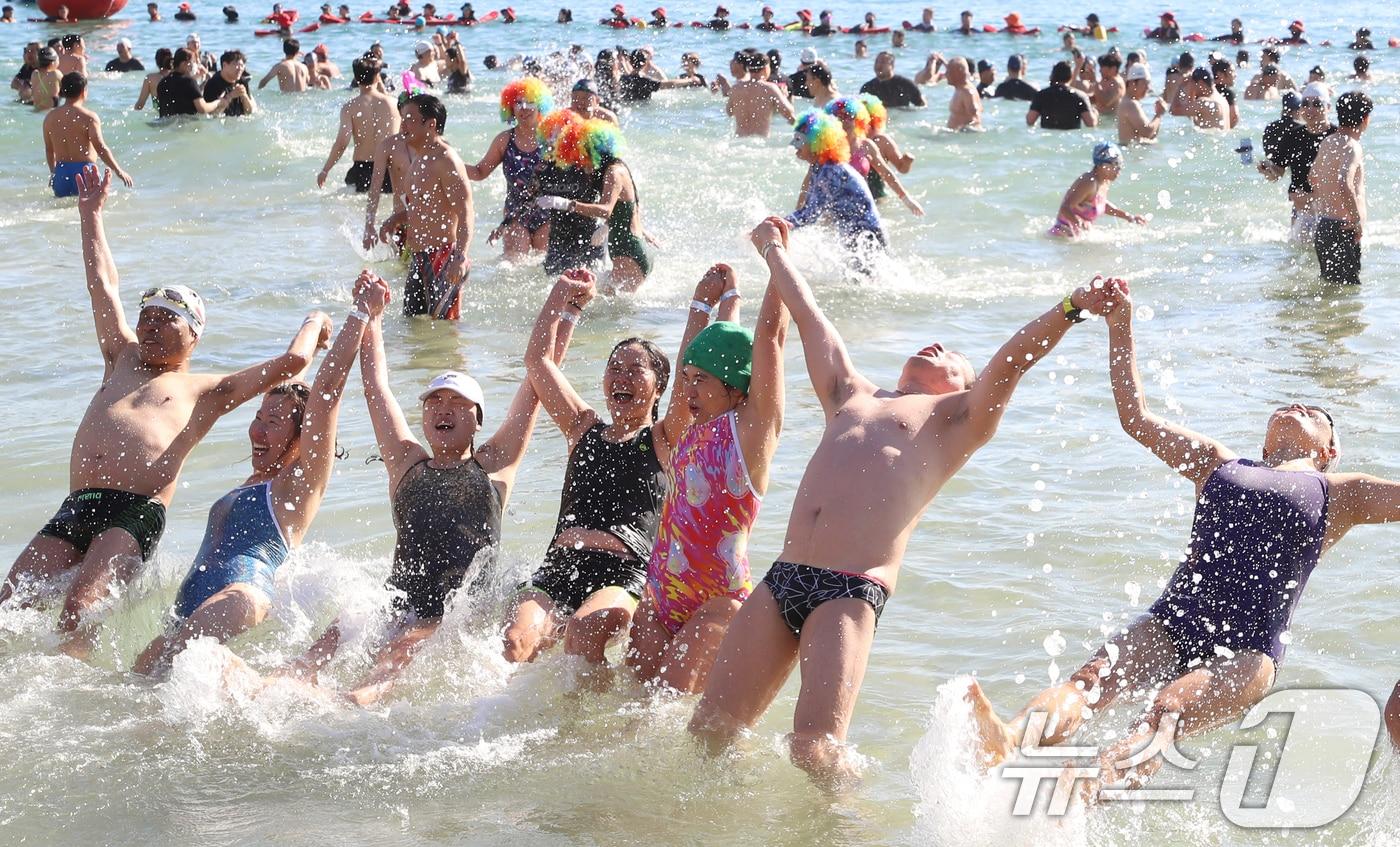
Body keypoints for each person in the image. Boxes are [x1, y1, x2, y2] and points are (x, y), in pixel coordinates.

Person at [690, 220, 1118, 787]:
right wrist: (772, 250)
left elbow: (1012, 361)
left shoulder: (955, 421)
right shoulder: (851, 392)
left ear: (965, 386)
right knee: (708, 731)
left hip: (846, 589)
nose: (938, 346)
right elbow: (808, 311)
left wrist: (1073, 306)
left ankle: (851, 825)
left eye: (955, 358)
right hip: (784, 577)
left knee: (814, 748)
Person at [967, 279, 1400, 800]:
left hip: (1247, 653)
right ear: (1264, 436)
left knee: (1165, 713)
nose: (1297, 406)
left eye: (1313, 413)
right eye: (1290, 403)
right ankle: (1012, 741)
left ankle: (1078, 794)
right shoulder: (1219, 464)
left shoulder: (1341, 493)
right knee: (1090, 681)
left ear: (1331, 450)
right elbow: (1136, 419)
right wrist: (1119, 323)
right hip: (1173, 621)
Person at [0, 166, 329, 658]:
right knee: (9, 607)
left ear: (193, 334)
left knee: (80, 609)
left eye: (166, 319)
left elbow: (293, 363)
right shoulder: (121, 356)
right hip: (77, 504)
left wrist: (315, 320)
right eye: (146, 316)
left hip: (133, 513)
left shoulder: (206, 390)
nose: (150, 326)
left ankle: (80, 698)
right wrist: (90, 214)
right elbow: (102, 285)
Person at [276, 283, 574, 707]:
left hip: (454, 614)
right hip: (400, 597)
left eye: (457, 403)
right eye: (434, 402)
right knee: (341, 628)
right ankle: (287, 683)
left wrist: (568, 311)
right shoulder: (406, 464)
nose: (443, 410)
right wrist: (373, 318)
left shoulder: (493, 465)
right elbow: (377, 387)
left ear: (478, 420)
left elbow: (535, 388)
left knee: (394, 656)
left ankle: (355, 702)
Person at [133, 273, 390, 678]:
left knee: (180, 663)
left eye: (273, 421)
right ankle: (273, 689)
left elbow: (326, 392)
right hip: (191, 612)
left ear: (301, 435)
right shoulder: (251, 483)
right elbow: (285, 375)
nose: (258, 430)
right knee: (143, 674)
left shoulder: (297, 483)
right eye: (257, 418)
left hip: (241, 596)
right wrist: (311, 325)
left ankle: (279, 689)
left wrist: (358, 313)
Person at [503, 269, 718, 667]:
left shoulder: (663, 438)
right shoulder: (581, 427)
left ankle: (585, 728)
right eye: (614, 369)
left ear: (659, 386)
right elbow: (537, 361)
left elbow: (691, 375)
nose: (622, 377)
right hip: (559, 567)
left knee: (585, 632)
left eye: (635, 370)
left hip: (622, 574)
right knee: (515, 640)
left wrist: (701, 305)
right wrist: (562, 295)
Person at [625, 262, 789, 696]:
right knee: (634, 710)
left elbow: (770, 337)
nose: (688, 390)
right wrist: (711, 301)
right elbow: (707, 350)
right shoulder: (691, 425)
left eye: (700, 381)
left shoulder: (751, 434)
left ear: (735, 387)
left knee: (668, 706)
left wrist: (777, 260)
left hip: (718, 601)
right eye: (686, 380)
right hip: (659, 594)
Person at [375, 94, 472, 318]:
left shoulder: (446, 159)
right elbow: (424, 208)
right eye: (402, 118)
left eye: (409, 119)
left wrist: (460, 258)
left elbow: (466, 213)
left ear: (431, 124)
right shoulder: (420, 158)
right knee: (413, 326)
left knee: (444, 331)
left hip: (443, 257)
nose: (403, 125)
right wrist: (394, 220)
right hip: (418, 257)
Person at [537, 120, 653, 291]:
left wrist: (567, 204)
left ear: (595, 152)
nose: (582, 165)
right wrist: (607, 227)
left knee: (604, 310)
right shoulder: (615, 168)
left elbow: (606, 210)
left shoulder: (613, 172)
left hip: (629, 254)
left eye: (583, 157)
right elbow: (625, 208)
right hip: (629, 252)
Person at [464, 78, 551, 262]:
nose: (524, 108)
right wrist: (452, 165)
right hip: (515, 215)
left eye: (530, 102)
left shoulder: (551, 140)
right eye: (518, 103)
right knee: (514, 267)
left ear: (540, 107)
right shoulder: (504, 140)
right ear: (511, 108)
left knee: (543, 269)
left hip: (549, 214)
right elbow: (480, 172)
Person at [786, 110, 887, 251]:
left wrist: (780, 224)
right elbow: (807, 208)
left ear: (816, 143)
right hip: (855, 235)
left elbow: (810, 215)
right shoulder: (819, 167)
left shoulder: (830, 171)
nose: (793, 145)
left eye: (799, 140)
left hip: (868, 237)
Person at [1311, 92, 1372, 285]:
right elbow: (1344, 184)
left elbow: (1312, 177)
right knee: (1348, 293)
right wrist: (1355, 220)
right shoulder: (1352, 147)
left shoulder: (1327, 142)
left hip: (1324, 226)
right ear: (1365, 119)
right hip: (1343, 229)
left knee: (1331, 288)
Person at [1261, 85, 1335, 241]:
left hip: (1331, 213)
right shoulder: (1292, 136)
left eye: (1317, 104)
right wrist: (1268, 170)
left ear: (1328, 107)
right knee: (1298, 259)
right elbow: (1277, 173)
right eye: (1305, 104)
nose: (1310, 109)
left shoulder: (1336, 137)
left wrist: (1314, 197)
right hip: (1301, 212)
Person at [44, 74, 134, 198]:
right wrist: (118, 171)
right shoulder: (89, 117)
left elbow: (49, 150)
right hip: (85, 171)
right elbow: (100, 148)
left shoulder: (50, 117)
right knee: (92, 211)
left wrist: (53, 173)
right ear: (83, 91)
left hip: (61, 172)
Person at [318, 58, 399, 194]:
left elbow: (342, 143)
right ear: (378, 76)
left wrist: (325, 170)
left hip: (363, 169)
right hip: (390, 169)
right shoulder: (394, 104)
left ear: (355, 78)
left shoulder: (350, 108)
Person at [1049, 142, 1146, 237]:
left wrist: (1129, 217)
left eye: (1120, 165)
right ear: (1100, 165)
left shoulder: (1103, 182)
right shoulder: (1089, 182)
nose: (1118, 169)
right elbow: (1065, 208)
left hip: (1077, 238)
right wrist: (1080, 222)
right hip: (1062, 237)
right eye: (1115, 164)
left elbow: (1102, 204)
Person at [726, 51, 796, 138]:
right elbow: (788, 113)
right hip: (760, 142)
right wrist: (784, 96)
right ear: (766, 68)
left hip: (739, 140)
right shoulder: (770, 88)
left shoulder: (736, 88)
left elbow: (729, 112)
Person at [858, 93, 914, 201]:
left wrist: (907, 161)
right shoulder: (851, 140)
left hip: (877, 197)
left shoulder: (882, 141)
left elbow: (902, 168)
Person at [158, 48, 244, 117]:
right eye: (194, 62)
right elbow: (203, 109)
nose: (196, 66)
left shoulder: (162, 82)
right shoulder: (189, 82)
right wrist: (219, 102)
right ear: (185, 64)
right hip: (185, 127)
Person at [1027, 61, 1096, 129]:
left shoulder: (1041, 95)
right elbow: (1090, 123)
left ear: (1053, 76)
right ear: (1071, 76)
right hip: (1071, 137)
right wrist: (1095, 113)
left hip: (1048, 136)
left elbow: (1030, 120)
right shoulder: (1080, 96)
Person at [1118, 63, 1165, 144]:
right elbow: (1147, 132)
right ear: (1132, 83)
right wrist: (1158, 114)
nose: (1148, 88)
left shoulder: (1126, 101)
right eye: (1145, 84)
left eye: (1148, 84)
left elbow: (1151, 134)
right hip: (1132, 153)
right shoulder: (1131, 104)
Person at [859, 52, 925, 109]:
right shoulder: (867, 88)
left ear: (892, 65)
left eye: (883, 62)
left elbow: (922, 106)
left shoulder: (906, 85)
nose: (878, 65)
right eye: (876, 62)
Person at [203, 50, 256, 117]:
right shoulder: (213, 84)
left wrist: (244, 95)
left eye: (242, 65)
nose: (240, 68)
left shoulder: (242, 81)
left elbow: (249, 112)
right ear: (224, 65)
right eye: (235, 64)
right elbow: (211, 115)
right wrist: (230, 96)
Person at [944, 57, 982, 130]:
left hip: (962, 137)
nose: (945, 74)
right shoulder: (959, 89)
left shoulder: (967, 93)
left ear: (958, 72)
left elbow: (975, 120)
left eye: (948, 71)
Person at [30, 47, 62, 112]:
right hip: (49, 112)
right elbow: (71, 90)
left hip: (35, 111)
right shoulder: (55, 74)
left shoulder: (34, 74)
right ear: (53, 62)